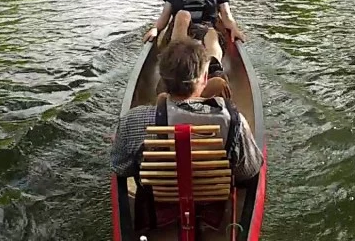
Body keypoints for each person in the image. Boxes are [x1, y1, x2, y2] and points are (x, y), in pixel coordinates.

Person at [109, 35, 263, 185]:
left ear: (162, 79)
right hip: (213, 197)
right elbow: (249, 171)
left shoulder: (133, 120)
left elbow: (120, 168)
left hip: (158, 199)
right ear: (204, 78)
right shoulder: (234, 121)